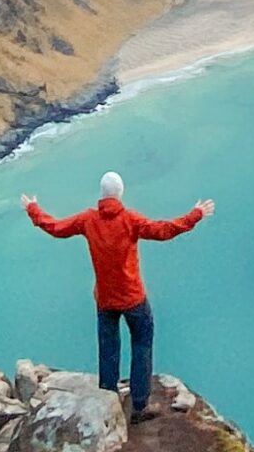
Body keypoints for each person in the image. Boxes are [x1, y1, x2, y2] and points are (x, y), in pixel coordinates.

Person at [20, 172, 214, 420]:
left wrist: (33, 209)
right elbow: (163, 230)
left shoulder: (88, 220)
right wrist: (195, 215)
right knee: (142, 344)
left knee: (108, 347)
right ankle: (140, 406)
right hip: (133, 297)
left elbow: (56, 228)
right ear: (120, 193)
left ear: (101, 194)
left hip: (105, 299)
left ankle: (108, 399)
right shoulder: (130, 220)